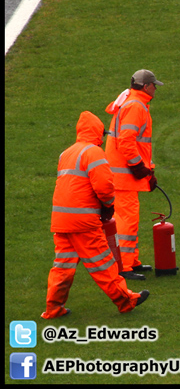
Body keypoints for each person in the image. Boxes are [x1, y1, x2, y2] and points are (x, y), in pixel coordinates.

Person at [42, 111, 149, 319]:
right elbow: (105, 186)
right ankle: (127, 300)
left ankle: (53, 309)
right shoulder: (94, 153)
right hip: (84, 221)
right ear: (98, 133)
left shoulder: (67, 153)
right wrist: (108, 206)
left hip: (61, 221)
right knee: (104, 264)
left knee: (62, 266)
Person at [105, 69, 163, 280]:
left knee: (130, 218)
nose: (156, 88)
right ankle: (124, 266)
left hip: (123, 174)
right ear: (146, 86)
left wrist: (149, 170)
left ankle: (132, 261)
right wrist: (138, 167)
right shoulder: (136, 107)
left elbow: (138, 144)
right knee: (126, 220)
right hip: (124, 176)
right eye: (154, 85)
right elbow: (127, 141)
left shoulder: (131, 102)